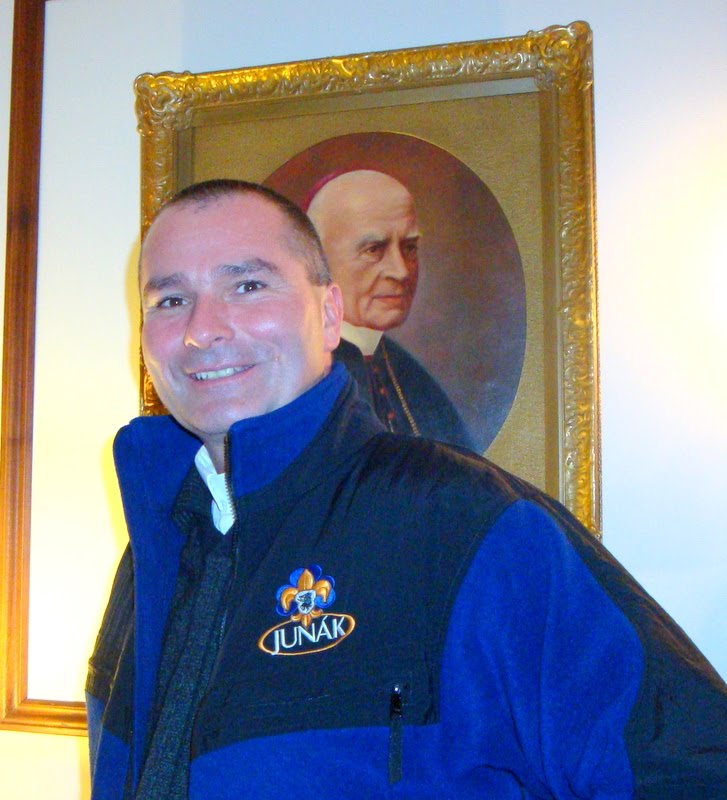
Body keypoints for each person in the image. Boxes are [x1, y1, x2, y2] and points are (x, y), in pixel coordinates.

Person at [87, 179, 727, 800]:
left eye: (247, 286)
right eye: (169, 300)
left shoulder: (466, 522)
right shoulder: (156, 548)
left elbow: (693, 771)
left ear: (329, 315)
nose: (202, 329)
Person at [306, 169, 476, 450]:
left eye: (409, 248)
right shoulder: (293, 374)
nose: (401, 271)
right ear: (318, 259)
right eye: (374, 249)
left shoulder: (411, 376)